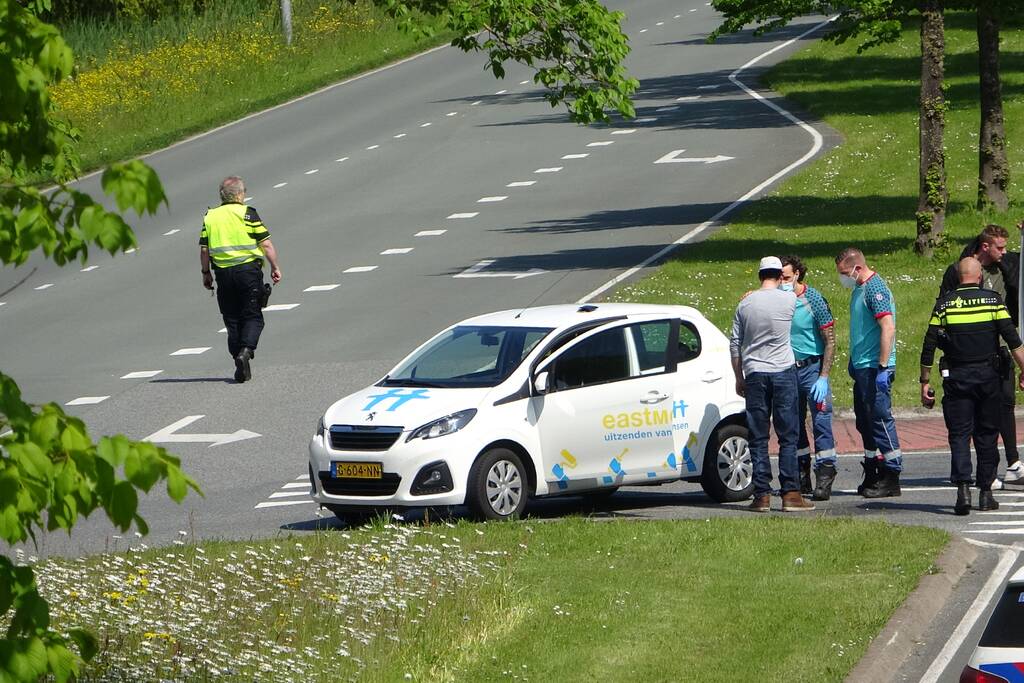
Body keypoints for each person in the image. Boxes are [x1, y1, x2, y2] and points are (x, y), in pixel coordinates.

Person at [921, 257, 1024, 514]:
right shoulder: (992, 301)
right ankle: (986, 494)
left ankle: (962, 491)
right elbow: (1013, 340)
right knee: (987, 435)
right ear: (979, 277)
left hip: (957, 379)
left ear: (957, 277)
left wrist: (925, 381)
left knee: (959, 435)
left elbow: (929, 344)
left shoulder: (944, 305)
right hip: (989, 379)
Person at [939, 224, 1023, 488]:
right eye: (1000, 247)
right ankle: (981, 472)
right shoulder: (960, 271)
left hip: (1000, 348)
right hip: (970, 354)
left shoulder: (1006, 266)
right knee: (976, 413)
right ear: (985, 246)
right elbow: (942, 309)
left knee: (1005, 403)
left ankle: (1013, 463)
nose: (1005, 251)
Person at [730, 256, 813, 512]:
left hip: (755, 372)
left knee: (758, 436)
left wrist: (739, 377)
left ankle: (762, 495)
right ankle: (790, 493)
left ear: (759, 276)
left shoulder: (745, 304)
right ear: (780, 276)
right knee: (788, 435)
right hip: (783, 370)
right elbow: (798, 291)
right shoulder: (788, 299)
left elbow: (735, 344)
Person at [834, 247, 903, 498]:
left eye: (845, 272)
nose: (843, 277)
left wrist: (883, 367)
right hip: (862, 366)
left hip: (875, 366)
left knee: (880, 420)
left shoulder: (875, 289)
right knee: (865, 422)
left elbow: (888, 328)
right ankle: (873, 468)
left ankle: (891, 474)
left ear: (857, 268)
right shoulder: (859, 289)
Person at [200, 176, 282, 383]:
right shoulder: (248, 213)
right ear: (238, 194)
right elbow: (266, 245)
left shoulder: (210, 216)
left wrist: (205, 273)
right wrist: (275, 267)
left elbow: (204, 249)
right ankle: (245, 351)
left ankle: (238, 357)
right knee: (253, 316)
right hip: (248, 272)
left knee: (231, 318)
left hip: (223, 275)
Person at [780, 255, 838, 501]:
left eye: (786, 277)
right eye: (779, 277)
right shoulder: (778, 300)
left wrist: (823, 376)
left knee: (821, 421)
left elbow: (830, 340)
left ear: (797, 275)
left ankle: (825, 474)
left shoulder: (813, 299)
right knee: (793, 423)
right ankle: (801, 472)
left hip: (812, 368)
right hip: (788, 370)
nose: (782, 281)